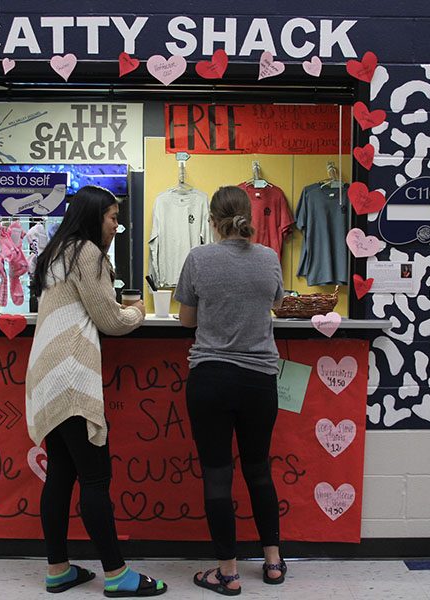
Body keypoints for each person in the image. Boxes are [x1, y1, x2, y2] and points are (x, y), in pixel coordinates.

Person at [26, 185, 168, 597]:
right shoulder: (86, 252)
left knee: (60, 476)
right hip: (72, 375)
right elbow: (110, 319)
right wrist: (139, 309)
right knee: (95, 478)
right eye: (112, 216)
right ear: (93, 217)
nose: (116, 224)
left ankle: (58, 570)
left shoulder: (58, 251)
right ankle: (118, 574)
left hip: (46, 373)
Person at [174, 185, 287, 596]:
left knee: (218, 475)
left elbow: (187, 321)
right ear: (247, 216)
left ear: (212, 221)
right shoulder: (270, 258)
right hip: (259, 379)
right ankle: (273, 562)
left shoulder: (199, 259)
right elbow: (276, 303)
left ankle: (228, 572)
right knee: (259, 470)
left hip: (211, 378)